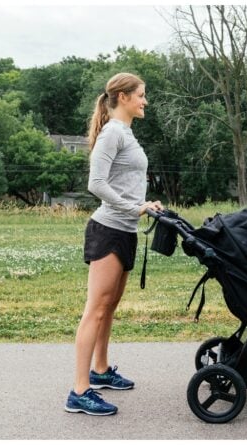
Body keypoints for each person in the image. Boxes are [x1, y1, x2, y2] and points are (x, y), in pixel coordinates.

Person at [66, 73, 163, 416]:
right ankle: (79, 390)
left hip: (125, 230)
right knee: (95, 309)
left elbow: (125, 182)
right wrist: (134, 206)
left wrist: (144, 203)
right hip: (108, 229)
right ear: (123, 97)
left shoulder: (126, 133)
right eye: (141, 95)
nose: (144, 101)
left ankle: (101, 370)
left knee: (109, 308)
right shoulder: (112, 133)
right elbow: (97, 183)